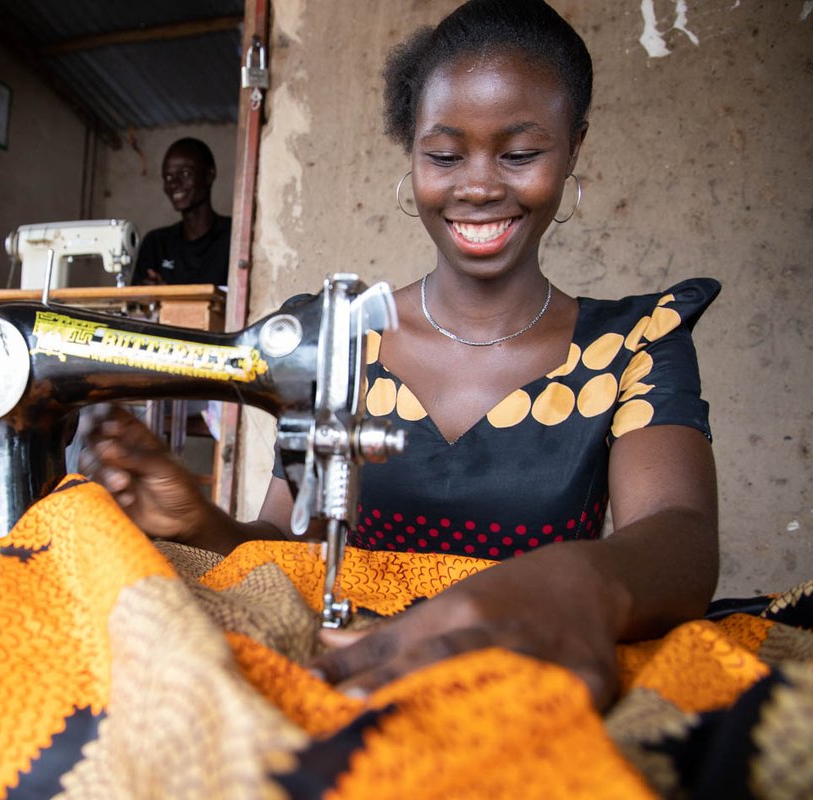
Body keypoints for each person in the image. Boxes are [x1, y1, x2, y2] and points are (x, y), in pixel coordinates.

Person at [83, 0, 721, 711]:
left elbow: (682, 537)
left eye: (520, 154)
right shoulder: (340, 339)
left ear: (574, 148)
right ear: (411, 152)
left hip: (527, 688)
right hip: (355, 680)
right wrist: (201, 527)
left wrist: (578, 584)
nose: (477, 185)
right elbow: (289, 543)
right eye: (444, 156)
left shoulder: (634, 343)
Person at [131, 137, 233, 286]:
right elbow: (136, 305)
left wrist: (169, 297)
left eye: (185, 174)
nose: (173, 184)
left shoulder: (234, 237)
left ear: (209, 175)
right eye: (168, 177)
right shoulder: (156, 244)